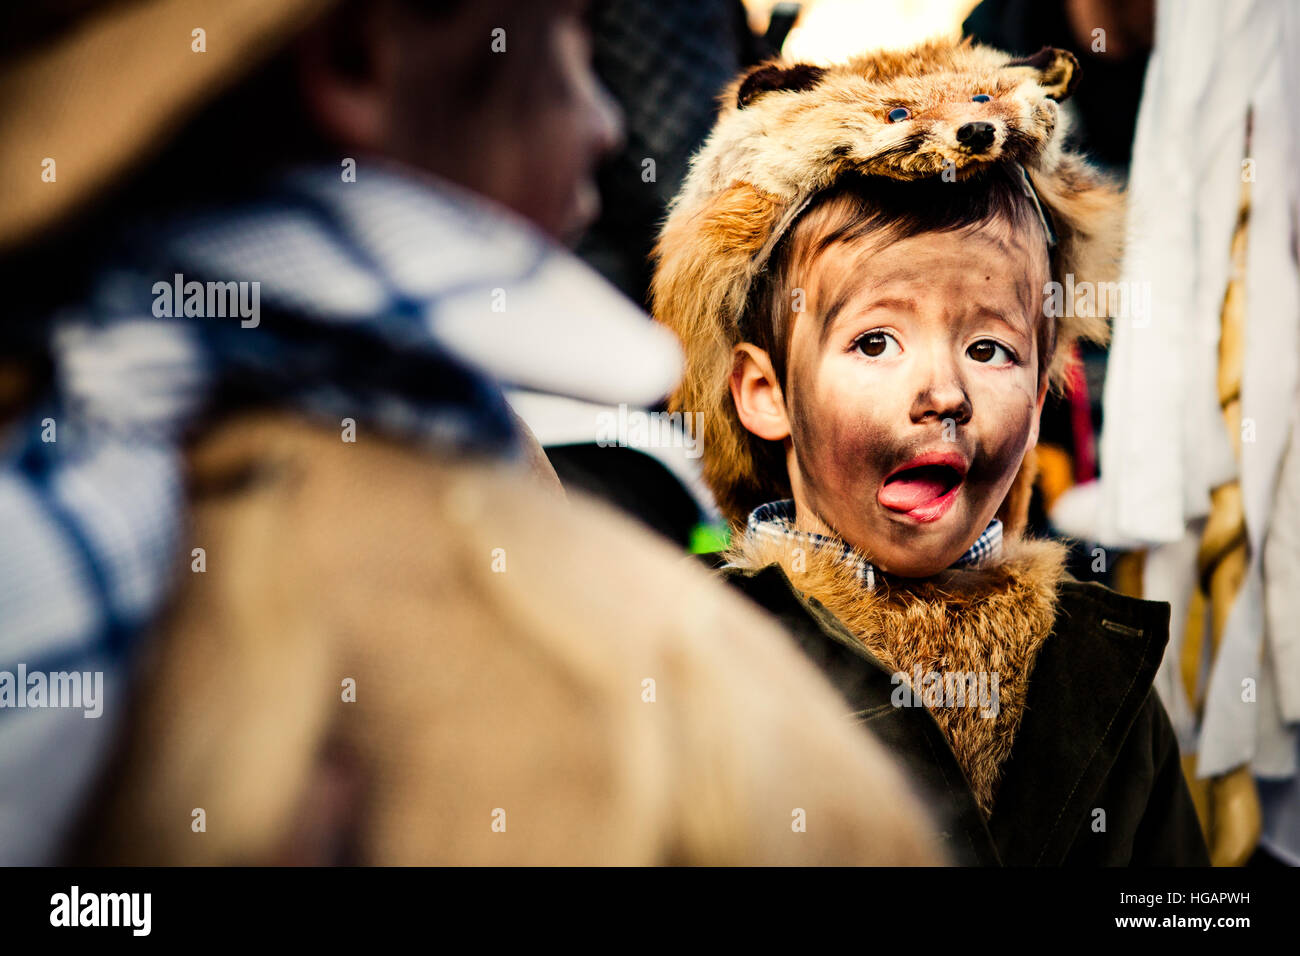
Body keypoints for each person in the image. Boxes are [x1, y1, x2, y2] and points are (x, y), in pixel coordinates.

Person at [0, 0, 940, 864]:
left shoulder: (62, 484)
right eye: (569, 41)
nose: (605, 123)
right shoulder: (709, 731)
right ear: (361, 60)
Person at [652, 38, 1211, 865]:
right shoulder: (689, 661)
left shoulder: (1103, 677)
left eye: (992, 350)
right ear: (764, 393)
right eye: (876, 342)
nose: (944, 393)